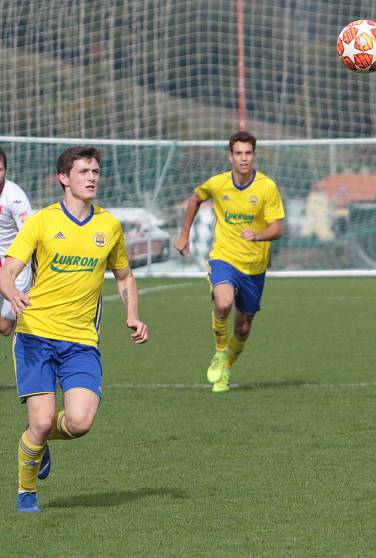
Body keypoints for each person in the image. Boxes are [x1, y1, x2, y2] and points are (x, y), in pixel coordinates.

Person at [0, 146, 149, 513]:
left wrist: (133, 314)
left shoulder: (109, 226)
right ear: (64, 178)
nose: (92, 177)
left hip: (81, 340)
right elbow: (7, 270)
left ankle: (39, 437)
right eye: (84, 171)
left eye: (96, 171)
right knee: (43, 418)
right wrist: (13, 295)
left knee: (80, 422)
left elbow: (125, 276)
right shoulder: (42, 222)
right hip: (36, 335)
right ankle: (26, 490)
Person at [174, 131, 285, 393]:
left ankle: (226, 369)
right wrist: (183, 234)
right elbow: (195, 198)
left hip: (255, 267)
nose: (243, 158)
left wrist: (258, 235)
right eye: (238, 153)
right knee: (223, 304)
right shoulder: (218, 183)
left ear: (254, 156)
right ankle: (219, 352)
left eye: (248, 153)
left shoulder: (267, 187)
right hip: (224, 257)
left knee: (243, 328)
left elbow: (278, 228)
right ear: (230, 156)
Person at [0, 147, 34, 336]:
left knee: (5, 328)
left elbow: (28, 235)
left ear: (6, 170)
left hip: (14, 265)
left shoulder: (15, 198)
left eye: (0, 170)